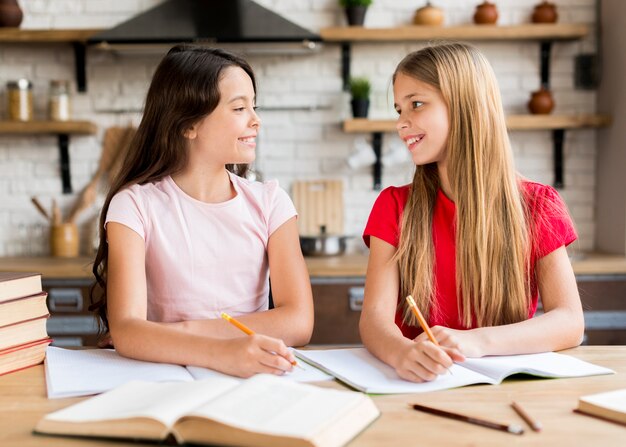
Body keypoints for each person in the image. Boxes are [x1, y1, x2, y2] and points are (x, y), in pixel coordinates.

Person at [360, 43, 584, 383]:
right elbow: (374, 321)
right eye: (398, 109)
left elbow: (569, 321)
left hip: (506, 389)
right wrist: (402, 352)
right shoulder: (394, 206)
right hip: (418, 385)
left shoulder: (539, 205)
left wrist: (477, 341)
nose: (401, 123)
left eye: (416, 104)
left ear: (464, 105)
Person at [90, 45, 313, 378]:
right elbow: (127, 331)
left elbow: (298, 321)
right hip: (161, 379)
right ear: (188, 125)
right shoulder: (133, 205)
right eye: (239, 108)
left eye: (254, 106)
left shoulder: (271, 202)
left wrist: (174, 333)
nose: (256, 120)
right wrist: (222, 352)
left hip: (251, 378)